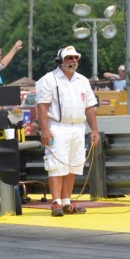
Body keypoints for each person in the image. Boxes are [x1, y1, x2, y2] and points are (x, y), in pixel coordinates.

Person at [35, 46, 100, 217]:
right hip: (57, 126)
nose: (73, 61)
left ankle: (66, 202)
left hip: (78, 127)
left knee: (73, 165)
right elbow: (42, 106)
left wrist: (94, 130)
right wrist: (45, 130)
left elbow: (90, 107)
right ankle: (55, 202)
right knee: (56, 165)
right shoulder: (49, 79)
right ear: (60, 60)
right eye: (69, 58)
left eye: (75, 58)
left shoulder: (83, 80)